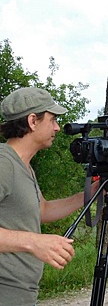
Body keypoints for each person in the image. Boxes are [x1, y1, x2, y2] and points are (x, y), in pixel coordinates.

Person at [0, 87, 98, 306]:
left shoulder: (24, 165)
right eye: (52, 119)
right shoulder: (4, 163)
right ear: (33, 121)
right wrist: (34, 242)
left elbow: (42, 211)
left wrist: (89, 193)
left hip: (21, 293)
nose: (57, 127)